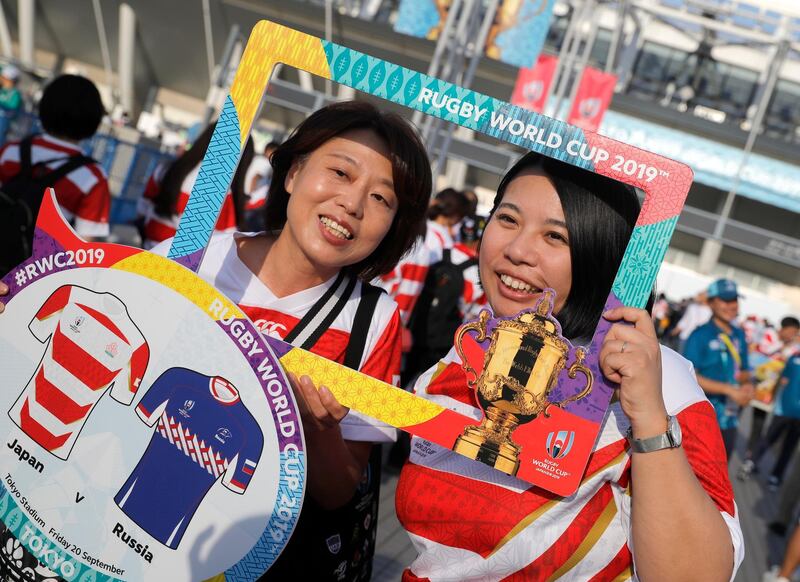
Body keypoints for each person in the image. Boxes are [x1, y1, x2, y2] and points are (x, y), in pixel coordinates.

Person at [0, 100, 432, 581]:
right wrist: (15, 309)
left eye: (382, 199)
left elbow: (339, 490)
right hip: (103, 537)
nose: (352, 203)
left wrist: (315, 426)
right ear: (292, 172)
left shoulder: (373, 320)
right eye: (340, 172)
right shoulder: (194, 259)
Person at [395, 152, 742, 580]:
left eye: (556, 237)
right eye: (507, 219)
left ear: (602, 255)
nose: (518, 250)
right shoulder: (467, 349)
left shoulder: (655, 376)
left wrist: (649, 419)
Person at [0, 74, 110, 240]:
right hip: (41, 264)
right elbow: (85, 243)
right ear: (94, 121)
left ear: (44, 109)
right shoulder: (93, 177)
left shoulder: (11, 152)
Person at [136, 122, 254, 249]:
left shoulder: (166, 169)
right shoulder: (223, 191)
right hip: (181, 264)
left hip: (149, 250)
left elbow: (142, 209)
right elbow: (224, 243)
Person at [684, 278, 754, 460]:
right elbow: (688, 376)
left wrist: (748, 385)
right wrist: (728, 389)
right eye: (725, 300)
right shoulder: (700, 335)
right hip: (702, 420)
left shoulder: (739, 334)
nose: (732, 306)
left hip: (730, 420)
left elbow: (745, 371)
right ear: (710, 303)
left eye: (734, 300)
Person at [740, 349, 800, 490]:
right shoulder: (793, 357)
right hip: (784, 409)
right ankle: (758, 467)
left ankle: (759, 467)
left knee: (784, 445)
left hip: (788, 411)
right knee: (778, 442)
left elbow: (784, 381)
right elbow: (783, 380)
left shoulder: (794, 356)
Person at [0, 64, 22, 143]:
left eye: (2, 76)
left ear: (8, 79)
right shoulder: (1, 90)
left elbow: (11, 113)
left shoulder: (15, 94)